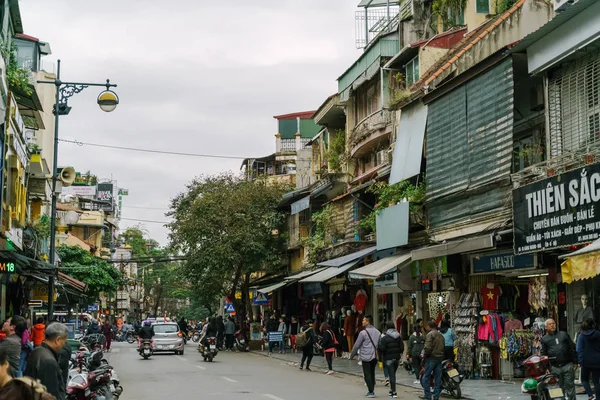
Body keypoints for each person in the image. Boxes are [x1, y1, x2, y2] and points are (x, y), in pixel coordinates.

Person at [25, 322, 68, 400]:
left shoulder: (37, 351)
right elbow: (51, 393)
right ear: (58, 340)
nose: (64, 344)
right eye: (64, 342)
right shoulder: (49, 361)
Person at [541, 318, 576, 400]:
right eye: (550, 324)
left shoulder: (563, 334)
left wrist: (575, 362)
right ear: (546, 327)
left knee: (570, 387)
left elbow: (572, 348)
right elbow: (544, 354)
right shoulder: (545, 339)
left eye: (553, 323)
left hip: (567, 365)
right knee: (557, 389)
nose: (552, 325)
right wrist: (546, 367)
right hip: (554, 367)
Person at [349, 315, 381, 398]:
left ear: (368, 322)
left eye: (364, 320)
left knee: (367, 373)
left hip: (365, 355)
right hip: (374, 355)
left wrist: (351, 355)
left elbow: (356, 345)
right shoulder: (378, 332)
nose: (362, 321)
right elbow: (379, 345)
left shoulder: (363, 333)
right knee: (372, 372)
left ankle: (371, 391)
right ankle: (372, 387)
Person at [379, 321, 404, 398]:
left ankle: (394, 391)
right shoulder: (398, 337)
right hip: (396, 358)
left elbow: (382, 348)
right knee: (393, 374)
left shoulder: (385, 338)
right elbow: (402, 348)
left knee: (391, 375)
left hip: (388, 358)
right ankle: (391, 390)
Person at [421, 320, 444, 400]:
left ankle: (427, 395)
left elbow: (427, 347)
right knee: (437, 378)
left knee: (426, 377)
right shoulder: (440, 335)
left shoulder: (430, 334)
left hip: (431, 358)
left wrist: (424, 356)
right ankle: (436, 396)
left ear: (429, 326)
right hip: (439, 358)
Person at [577, 318, 600, 400]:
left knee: (584, 379)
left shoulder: (581, 336)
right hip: (597, 361)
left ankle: (590, 395)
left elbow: (579, 350)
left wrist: (580, 361)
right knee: (596, 381)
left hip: (585, 361)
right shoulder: (598, 334)